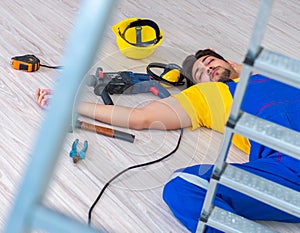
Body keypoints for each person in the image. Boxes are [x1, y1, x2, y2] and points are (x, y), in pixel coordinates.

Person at [36, 49, 300, 233]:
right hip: (288, 166)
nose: (207, 68)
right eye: (201, 72)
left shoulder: (270, 71)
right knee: (184, 187)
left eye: (209, 61)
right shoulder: (206, 96)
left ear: (228, 61)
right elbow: (140, 117)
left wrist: (239, 67)